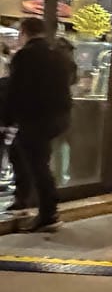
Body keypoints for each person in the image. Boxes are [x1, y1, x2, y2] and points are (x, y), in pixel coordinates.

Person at [3, 18, 73, 231]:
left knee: (36, 162)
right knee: (26, 154)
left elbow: (16, 89)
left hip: (36, 117)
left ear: (24, 32)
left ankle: (48, 212)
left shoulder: (26, 55)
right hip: (58, 116)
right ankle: (25, 200)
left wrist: (7, 118)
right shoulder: (58, 54)